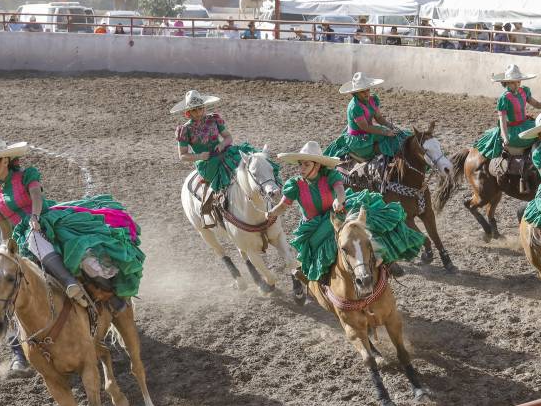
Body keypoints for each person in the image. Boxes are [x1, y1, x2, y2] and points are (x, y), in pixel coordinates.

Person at [0, 135, 144, 311]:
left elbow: (36, 196)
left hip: (46, 220)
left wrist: (35, 217)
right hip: (22, 237)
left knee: (83, 256)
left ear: (5, 161)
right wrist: (7, 250)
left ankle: (96, 291)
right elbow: (5, 228)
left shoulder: (25, 175)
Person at [264, 141, 424, 295]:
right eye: (301, 164)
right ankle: (323, 281)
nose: (302, 168)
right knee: (314, 249)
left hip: (336, 213)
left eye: (306, 164)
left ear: (317, 165)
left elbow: (340, 191)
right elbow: (284, 205)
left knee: (366, 222)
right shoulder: (295, 184)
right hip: (313, 226)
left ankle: (385, 259)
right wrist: (272, 213)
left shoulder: (330, 175)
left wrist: (338, 200)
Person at [171, 90, 265, 218]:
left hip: (224, 152)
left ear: (204, 107)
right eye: (194, 110)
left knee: (247, 163)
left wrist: (222, 144)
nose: (199, 113)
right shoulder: (184, 130)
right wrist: (199, 156)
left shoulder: (214, 120)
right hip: (207, 162)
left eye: (201, 109)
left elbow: (228, 137)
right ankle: (212, 203)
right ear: (188, 113)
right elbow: (182, 155)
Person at [472, 64, 541, 164]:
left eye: (518, 82)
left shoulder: (524, 91)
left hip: (526, 124)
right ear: (507, 83)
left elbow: (536, 104)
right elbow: (502, 120)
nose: (517, 85)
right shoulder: (504, 98)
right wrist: (505, 137)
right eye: (513, 83)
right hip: (513, 131)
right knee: (539, 134)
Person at [324, 72, 405, 162]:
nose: (366, 94)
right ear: (355, 93)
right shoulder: (355, 107)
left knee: (399, 134)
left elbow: (378, 118)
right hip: (359, 138)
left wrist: (390, 126)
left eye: (367, 90)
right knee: (388, 141)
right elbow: (366, 127)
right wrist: (385, 131)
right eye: (362, 91)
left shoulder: (373, 99)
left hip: (370, 132)